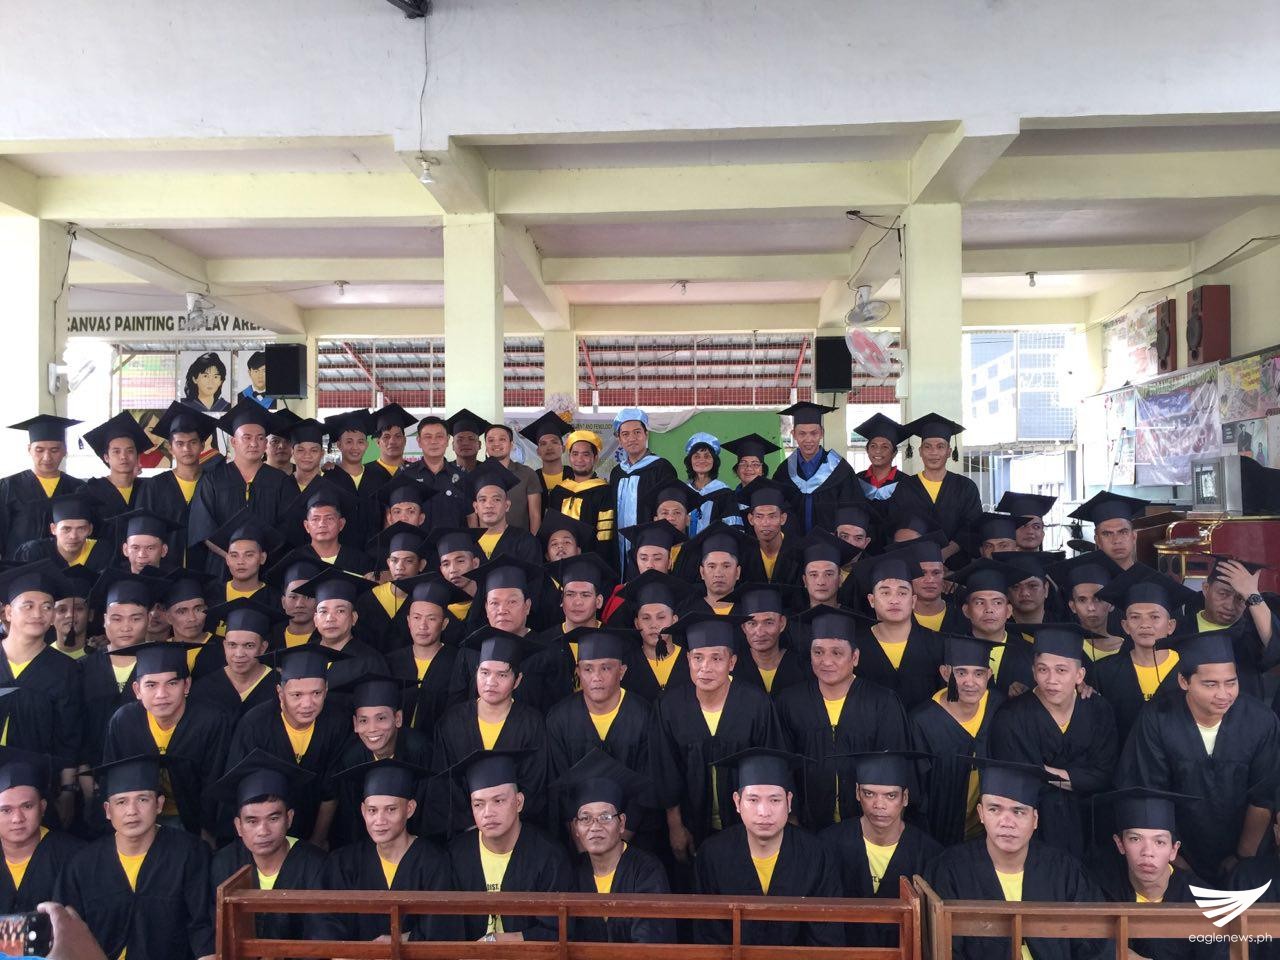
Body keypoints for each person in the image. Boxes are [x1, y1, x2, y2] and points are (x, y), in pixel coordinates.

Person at [1117, 631, 1280, 884]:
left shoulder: (1260, 721)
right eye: (1210, 684)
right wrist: (1175, 858)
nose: (1224, 694)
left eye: (1231, 682)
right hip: (1178, 850)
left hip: (1246, 849)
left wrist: (1243, 857)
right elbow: (1149, 790)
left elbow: (1263, 796)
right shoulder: (1158, 719)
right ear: (1184, 682)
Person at [927, 757, 1110, 960]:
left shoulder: (1065, 872)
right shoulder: (951, 871)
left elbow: (1096, 948)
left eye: (1018, 811)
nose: (1007, 822)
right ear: (981, 814)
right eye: (994, 809)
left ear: (1035, 819)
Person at [650, 614, 784, 861]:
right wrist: (675, 826)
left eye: (716, 658)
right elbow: (666, 771)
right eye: (698, 657)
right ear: (688, 660)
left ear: (732, 662)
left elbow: (770, 768)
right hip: (690, 823)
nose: (706, 667)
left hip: (747, 825)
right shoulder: (669, 707)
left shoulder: (755, 704)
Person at [57, 754, 215, 960]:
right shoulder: (82, 865)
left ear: (159, 804)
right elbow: (66, 933)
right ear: (107, 810)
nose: (132, 811)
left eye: (142, 799)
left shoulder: (189, 854)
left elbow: (203, 929)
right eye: (121, 802)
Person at [988, 623, 1118, 859]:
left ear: (1079, 675)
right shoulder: (1012, 717)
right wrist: (1078, 776)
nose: (1051, 680)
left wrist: (1043, 771)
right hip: (1036, 829)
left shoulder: (1098, 710)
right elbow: (1018, 779)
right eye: (1043, 669)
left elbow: (1104, 774)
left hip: (1092, 826)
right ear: (1033, 671)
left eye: (1061, 670)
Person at [777, 605, 910, 830]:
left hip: (866, 826)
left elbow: (895, 768)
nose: (826, 661)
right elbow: (783, 767)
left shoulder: (882, 703)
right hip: (806, 825)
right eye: (818, 652)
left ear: (855, 657)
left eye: (837, 653)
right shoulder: (790, 702)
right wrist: (792, 818)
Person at [694, 748, 841, 948]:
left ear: (789, 802)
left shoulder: (816, 855)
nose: (764, 812)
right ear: (737, 802)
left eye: (775, 800)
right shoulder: (713, 854)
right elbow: (709, 935)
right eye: (753, 800)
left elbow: (825, 935)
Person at [100, 640, 231, 843]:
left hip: (194, 822)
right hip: (139, 820)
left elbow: (215, 781)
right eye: (151, 685)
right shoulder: (124, 722)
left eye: (172, 683)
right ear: (137, 690)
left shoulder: (211, 722)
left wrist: (208, 830)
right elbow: (112, 779)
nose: (162, 694)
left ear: (186, 685)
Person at [317, 758, 459, 943]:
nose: (379, 821)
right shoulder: (343, 863)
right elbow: (327, 926)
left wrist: (400, 940)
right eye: (372, 810)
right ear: (363, 811)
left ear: (409, 809)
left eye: (391, 810)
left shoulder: (434, 862)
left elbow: (441, 929)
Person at [225, 645, 351, 847]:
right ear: (280, 692)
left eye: (316, 693)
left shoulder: (337, 723)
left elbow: (331, 790)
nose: (308, 704)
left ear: (326, 689)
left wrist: (317, 841)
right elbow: (242, 789)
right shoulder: (255, 725)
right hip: (265, 828)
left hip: (316, 823)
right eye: (297, 695)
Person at [447, 749, 574, 941]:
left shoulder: (549, 856)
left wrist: (498, 942)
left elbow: (557, 931)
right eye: (478, 804)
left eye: (498, 801)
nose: (488, 813)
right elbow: (445, 925)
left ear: (519, 802)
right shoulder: (456, 855)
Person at [433, 628, 549, 833]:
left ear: (517, 680)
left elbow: (534, 783)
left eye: (502, 675)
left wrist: (503, 823)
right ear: (476, 672)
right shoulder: (452, 722)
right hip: (463, 831)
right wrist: (474, 823)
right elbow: (444, 783)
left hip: (516, 831)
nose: (491, 682)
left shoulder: (532, 724)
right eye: (484, 673)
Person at [822, 750, 941, 949]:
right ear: (857, 792)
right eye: (869, 794)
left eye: (890, 796)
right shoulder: (828, 845)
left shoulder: (928, 854)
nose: (879, 805)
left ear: (905, 798)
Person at [545, 628, 655, 842]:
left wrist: (622, 840)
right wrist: (582, 841)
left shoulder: (644, 716)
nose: (596, 677)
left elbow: (647, 782)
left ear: (621, 671)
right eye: (588, 669)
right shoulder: (559, 719)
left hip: (634, 835)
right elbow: (560, 787)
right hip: (578, 837)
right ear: (578, 672)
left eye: (606, 668)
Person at [555, 749, 674, 944]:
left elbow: (650, 943)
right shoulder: (572, 874)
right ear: (576, 827)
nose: (595, 827)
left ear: (622, 823)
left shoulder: (646, 871)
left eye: (605, 817)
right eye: (585, 818)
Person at [1090, 787, 1222, 960]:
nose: (1147, 852)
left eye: (1159, 842)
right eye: (1135, 839)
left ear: (1174, 850)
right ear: (1120, 844)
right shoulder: (1098, 891)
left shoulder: (1204, 901)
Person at [208, 749, 325, 942]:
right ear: (238, 826)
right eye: (252, 821)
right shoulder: (224, 864)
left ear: (289, 818)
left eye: (273, 818)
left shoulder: (315, 865)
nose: (263, 831)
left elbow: (322, 933)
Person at [0, 564, 84, 822]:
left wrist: (67, 792)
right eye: (28, 605)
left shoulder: (65, 670)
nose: (38, 614)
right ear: (7, 612)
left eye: (47, 607)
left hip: (38, 785)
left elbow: (69, 738)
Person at [908, 634, 1004, 846]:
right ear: (945, 673)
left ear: (989, 675)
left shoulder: (997, 707)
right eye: (961, 673)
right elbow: (916, 792)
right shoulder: (923, 721)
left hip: (987, 834)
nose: (970, 682)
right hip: (938, 832)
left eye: (978, 673)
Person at [325, 672, 432, 849]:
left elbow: (430, 811)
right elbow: (350, 821)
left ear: (398, 719)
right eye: (363, 720)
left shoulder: (421, 751)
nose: (372, 729)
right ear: (355, 724)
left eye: (381, 718)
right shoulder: (350, 759)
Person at [1093, 567, 1199, 742]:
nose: (1145, 624)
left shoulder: (1191, 669)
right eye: (1135, 617)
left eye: (1154, 617)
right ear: (1125, 626)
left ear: (1171, 626)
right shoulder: (1104, 672)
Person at [187, 400, 291, 575]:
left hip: (269, 566)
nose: (254, 443)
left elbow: (287, 528)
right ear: (234, 441)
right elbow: (203, 529)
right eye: (247, 437)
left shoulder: (280, 481)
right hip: (222, 567)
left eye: (260, 438)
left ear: (266, 443)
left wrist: (257, 558)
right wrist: (233, 558)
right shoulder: (213, 480)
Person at [78, 571, 165, 777]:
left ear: (148, 619)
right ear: (104, 620)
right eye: (117, 619)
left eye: (135, 618)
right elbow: (74, 726)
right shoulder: (82, 668)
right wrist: (83, 771)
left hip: (147, 773)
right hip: (91, 772)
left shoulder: (161, 667)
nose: (126, 627)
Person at [848, 548, 945, 712]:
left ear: (913, 600)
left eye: (902, 593)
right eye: (885, 593)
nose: (894, 600)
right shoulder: (855, 646)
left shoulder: (938, 645)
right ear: (871, 600)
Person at [525, 553, 616, 710]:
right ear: (561, 600)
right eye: (570, 594)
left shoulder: (616, 641)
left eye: (585, 595)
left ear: (599, 601)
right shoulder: (541, 645)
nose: (577, 602)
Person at [890, 413, 983, 566]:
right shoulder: (905, 487)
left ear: (949, 452)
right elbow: (895, 525)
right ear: (920, 451)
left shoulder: (965, 487)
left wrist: (945, 553)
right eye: (928, 447)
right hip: (915, 566)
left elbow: (972, 527)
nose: (934, 452)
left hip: (957, 567)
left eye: (940, 446)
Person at [0, 747, 84, 913]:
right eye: (6, 810)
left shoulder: (74, 856)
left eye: (27, 806)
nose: (17, 818)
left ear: (43, 807)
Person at [136, 402, 218, 568]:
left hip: (208, 568)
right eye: (180, 443)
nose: (186, 448)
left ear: (202, 446)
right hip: (165, 569)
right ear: (170, 448)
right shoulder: (153, 487)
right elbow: (144, 530)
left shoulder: (216, 484)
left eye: (193, 442)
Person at [386, 572, 468, 733]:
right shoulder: (391, 662)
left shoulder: (458, 662)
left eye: (431, 619)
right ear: (408, 621)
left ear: (444, 624)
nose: (422, 626)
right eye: (417, 618)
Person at [1189, 554, 1280, 698]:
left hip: (1245, 710)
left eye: (1240, 598)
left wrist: (1251, 593)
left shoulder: (1252, 632)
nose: (1230, 606)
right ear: (1206, 589)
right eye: (1223, 594)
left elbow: (1276, 649)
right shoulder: (1181, 628)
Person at [772, 401, 862, 535]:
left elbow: (852, 508)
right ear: (793, 434)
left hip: (830, 542)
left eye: (814, 433)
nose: (808, 439)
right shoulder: (784, 471)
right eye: (802, 433)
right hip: (794, 542)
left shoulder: (840, 469)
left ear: (822, 433)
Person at [0, 416, 84, 561]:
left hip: (66, 568)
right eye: (39, 450)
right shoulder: (8, 487)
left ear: (64, 450)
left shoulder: (78, 488)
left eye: (54, 450)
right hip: (18, 567)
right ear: (29, 449)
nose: (47, 457)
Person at [947, 558, 1035, 696]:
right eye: (979, 603)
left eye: (997, 603)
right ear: (966, 610)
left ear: (1009, 611)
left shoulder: (1031, 654)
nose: (989, 609)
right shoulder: (949, 652)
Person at [294, 567, 386, 694]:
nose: (330, 618)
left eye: (340, 611)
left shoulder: (371, 662)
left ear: (354, 618)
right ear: (315, 619)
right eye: (323, 611)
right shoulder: (303, 656)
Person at [189, 599, 282, 722]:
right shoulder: (203, 688)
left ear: (263, 648)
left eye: (249, 646)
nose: (239, 654)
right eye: (232, 645)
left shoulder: (280, 687)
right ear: (224, 645)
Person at [608, 409, 678, 569]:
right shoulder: (617, 472)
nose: (632, 438)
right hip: (618, 546)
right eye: (625, 434)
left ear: (646, 434)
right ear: (619, 440)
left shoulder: (661, 468)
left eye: (637, 432)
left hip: (651, 547)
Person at [615, 570, 694, 702]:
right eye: (646, 618)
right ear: (637, 623)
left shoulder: (691, 662)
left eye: (661, 617)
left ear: (674, 620)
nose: (653, 625)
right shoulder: (625, 666)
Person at [79, 413, 153, 550]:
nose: (123, 457)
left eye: (129, 451)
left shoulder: (149, 490)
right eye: (116, 452)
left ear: (137, 456)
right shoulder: (90, 491)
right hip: (102, 559)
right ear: (106, 457)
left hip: (141, 559)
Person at [721, 582, 807, 697]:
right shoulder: (733, 670)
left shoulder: (803, 668)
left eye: (769, 622)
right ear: (744, 627)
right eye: (752, 623)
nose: (760, 632)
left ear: (782, 624)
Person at [356, 521, 426, 654]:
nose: (400, 567)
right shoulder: (368, 599)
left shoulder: (427, 601)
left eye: (408, 561)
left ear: (421, 565)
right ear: (388, 563)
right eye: (394, 560)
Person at [545, 429, 615, 556]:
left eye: (585, 454)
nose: (579, 459)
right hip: (561, 559)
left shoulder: (604, 492)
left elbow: (605, 534)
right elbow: (551, 530)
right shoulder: (558, 492)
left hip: (591, 559)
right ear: (569, 457)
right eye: (575, 454)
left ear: (595, 458)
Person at [1046, 553, 1125, 663]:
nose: (1091, 608)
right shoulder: (1063, 650)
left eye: (1099, 599)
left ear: (1111, 604)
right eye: (1082, 600)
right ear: (1072, 606)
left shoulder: (1129, 647)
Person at [401, 414, 473, 530]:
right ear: (419, 441)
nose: (433, 442)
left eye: (439, 436)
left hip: (454, 540)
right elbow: (394, 513)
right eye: (427, 437)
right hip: (417, 541)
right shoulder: (405, 475)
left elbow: (471, 515)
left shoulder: (462, 475)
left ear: (447, 440)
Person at [292, 485, 376, 575]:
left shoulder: (361, 562)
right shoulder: (296, 560)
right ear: (307, 526)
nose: (322, 524)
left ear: (341, 524)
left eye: (329, 518)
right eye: (315, 519)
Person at [470, 461, 542, 563]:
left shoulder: (526, 542)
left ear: (507, 506)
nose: (489, 505)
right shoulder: (466, 544)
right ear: (475, 507)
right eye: (483, 500)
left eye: (496, 499)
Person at [14, 494, 106, 571]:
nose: (73, 536)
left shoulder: (101, 551)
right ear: (53, 529)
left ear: (90, 529)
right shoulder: (34, 553)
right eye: (66, 529)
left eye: (81, 529)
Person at [736, 477, 799, 585]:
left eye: (772, 516)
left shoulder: (799, 554)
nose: (765, 523)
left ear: (783, 519)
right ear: (751, 519)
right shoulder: (742, 556)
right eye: (759, 516)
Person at [1067, 491, 1150, 572]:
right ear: (1097, 541)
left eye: (1123, 532)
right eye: (1107, 534)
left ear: (1134, 537)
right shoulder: (1087, 579)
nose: (1116, 540)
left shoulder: (1152, 579)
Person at [483, 421, 542, 533]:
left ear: (511, 445)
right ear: (486, 446)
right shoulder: (478, 475)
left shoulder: (527, 474)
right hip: (487, 540)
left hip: (521, 540)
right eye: (491, 440)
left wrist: (533, 541)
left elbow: (535, 515)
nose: (496, 444)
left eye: (502, 439)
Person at [360, 402, 419, 490]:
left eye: (398, 436)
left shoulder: (416, 472)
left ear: (405, 440)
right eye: (386, 437)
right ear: (378, 442)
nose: (392, 441)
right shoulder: (363, 474)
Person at [682, 433, 732, 536]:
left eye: (707, 456)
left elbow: (732, 529)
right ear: (690, 461)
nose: (702, 460)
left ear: (714, 461)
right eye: (696, 456)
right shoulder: (683, 492)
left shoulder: (724, 493)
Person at [520, 410, 573, 498]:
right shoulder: (532, 479)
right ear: (538, 451)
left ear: (563, 448)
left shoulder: (574, 476)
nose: (549, 447)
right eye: (543, 444)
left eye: (554, 442)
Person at [853, 413, 905, 501]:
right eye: (873, 446)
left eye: (885, 447)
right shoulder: (856, 481)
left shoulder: (906, 483)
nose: (878, 451)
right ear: (867, 450)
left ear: (894, 453)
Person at [446, 407, 488, 473]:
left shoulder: (489, 472)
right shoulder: (443, 473)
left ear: (479, 445)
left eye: (471, 439)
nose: (465, 443)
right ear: (453, 445)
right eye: (460, 440)